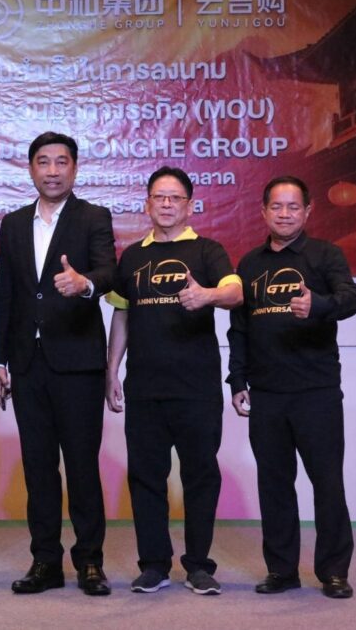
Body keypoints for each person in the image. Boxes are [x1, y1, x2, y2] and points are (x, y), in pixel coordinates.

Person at [104, 166, 242, 596]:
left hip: (197, 388)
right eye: (159, 197)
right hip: (145, 388)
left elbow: (236, 292)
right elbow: (122, 315)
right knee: (146, 477)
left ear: (190, 205)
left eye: (175, 198)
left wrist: (208, 295)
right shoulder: (132, 256)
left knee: (200, 476)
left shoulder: (207, 250)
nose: (166, 204)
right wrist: (112, 370)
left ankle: (199, 566)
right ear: (147, 204)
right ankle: (154, 565)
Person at [227, 176, 356, 599]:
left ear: (307, 211)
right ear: (263, 211)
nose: (284, 214)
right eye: (277, 206)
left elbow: (352, 297)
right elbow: (239, 329)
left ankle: (334, 572)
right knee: (274, 485)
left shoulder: (325, 255)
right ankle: (282, 570)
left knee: (327, 483)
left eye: (293, 207)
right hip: (267, 394)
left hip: (316, 392)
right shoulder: (249, 264)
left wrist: (317, 305)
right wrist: (237, 379)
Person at [0, 132, 117, 595]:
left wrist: (85, 284)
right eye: (43, 162)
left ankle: (90, 561)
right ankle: (45, 561)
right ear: (31, 169)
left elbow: (109, 271)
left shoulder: (93, 217)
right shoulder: (13, 223)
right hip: (28, 363)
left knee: (82, 465)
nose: (52, 171)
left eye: (61, 162)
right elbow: (5, 293)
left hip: (78, 361)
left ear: (75, 168)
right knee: (38, 467)